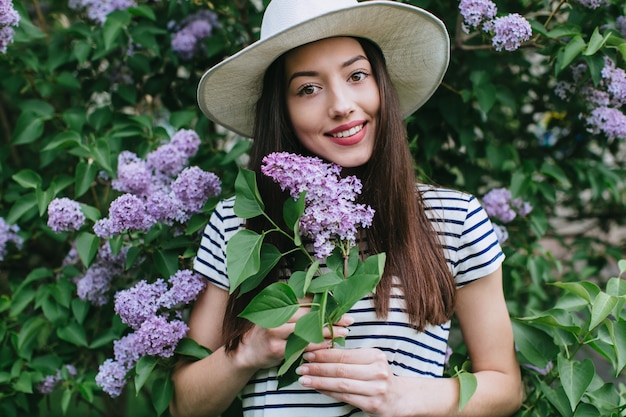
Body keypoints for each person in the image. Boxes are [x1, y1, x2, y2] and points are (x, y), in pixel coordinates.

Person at [170, 0, 523, 416]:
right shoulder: (242, 222)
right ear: (281, 110)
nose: (341, 105)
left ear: (381, 86)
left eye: (357, 75)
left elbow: (505, 387)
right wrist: (248, 351)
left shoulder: (453, 218)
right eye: (308, 88)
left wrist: (402, 396)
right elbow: (183, 404)